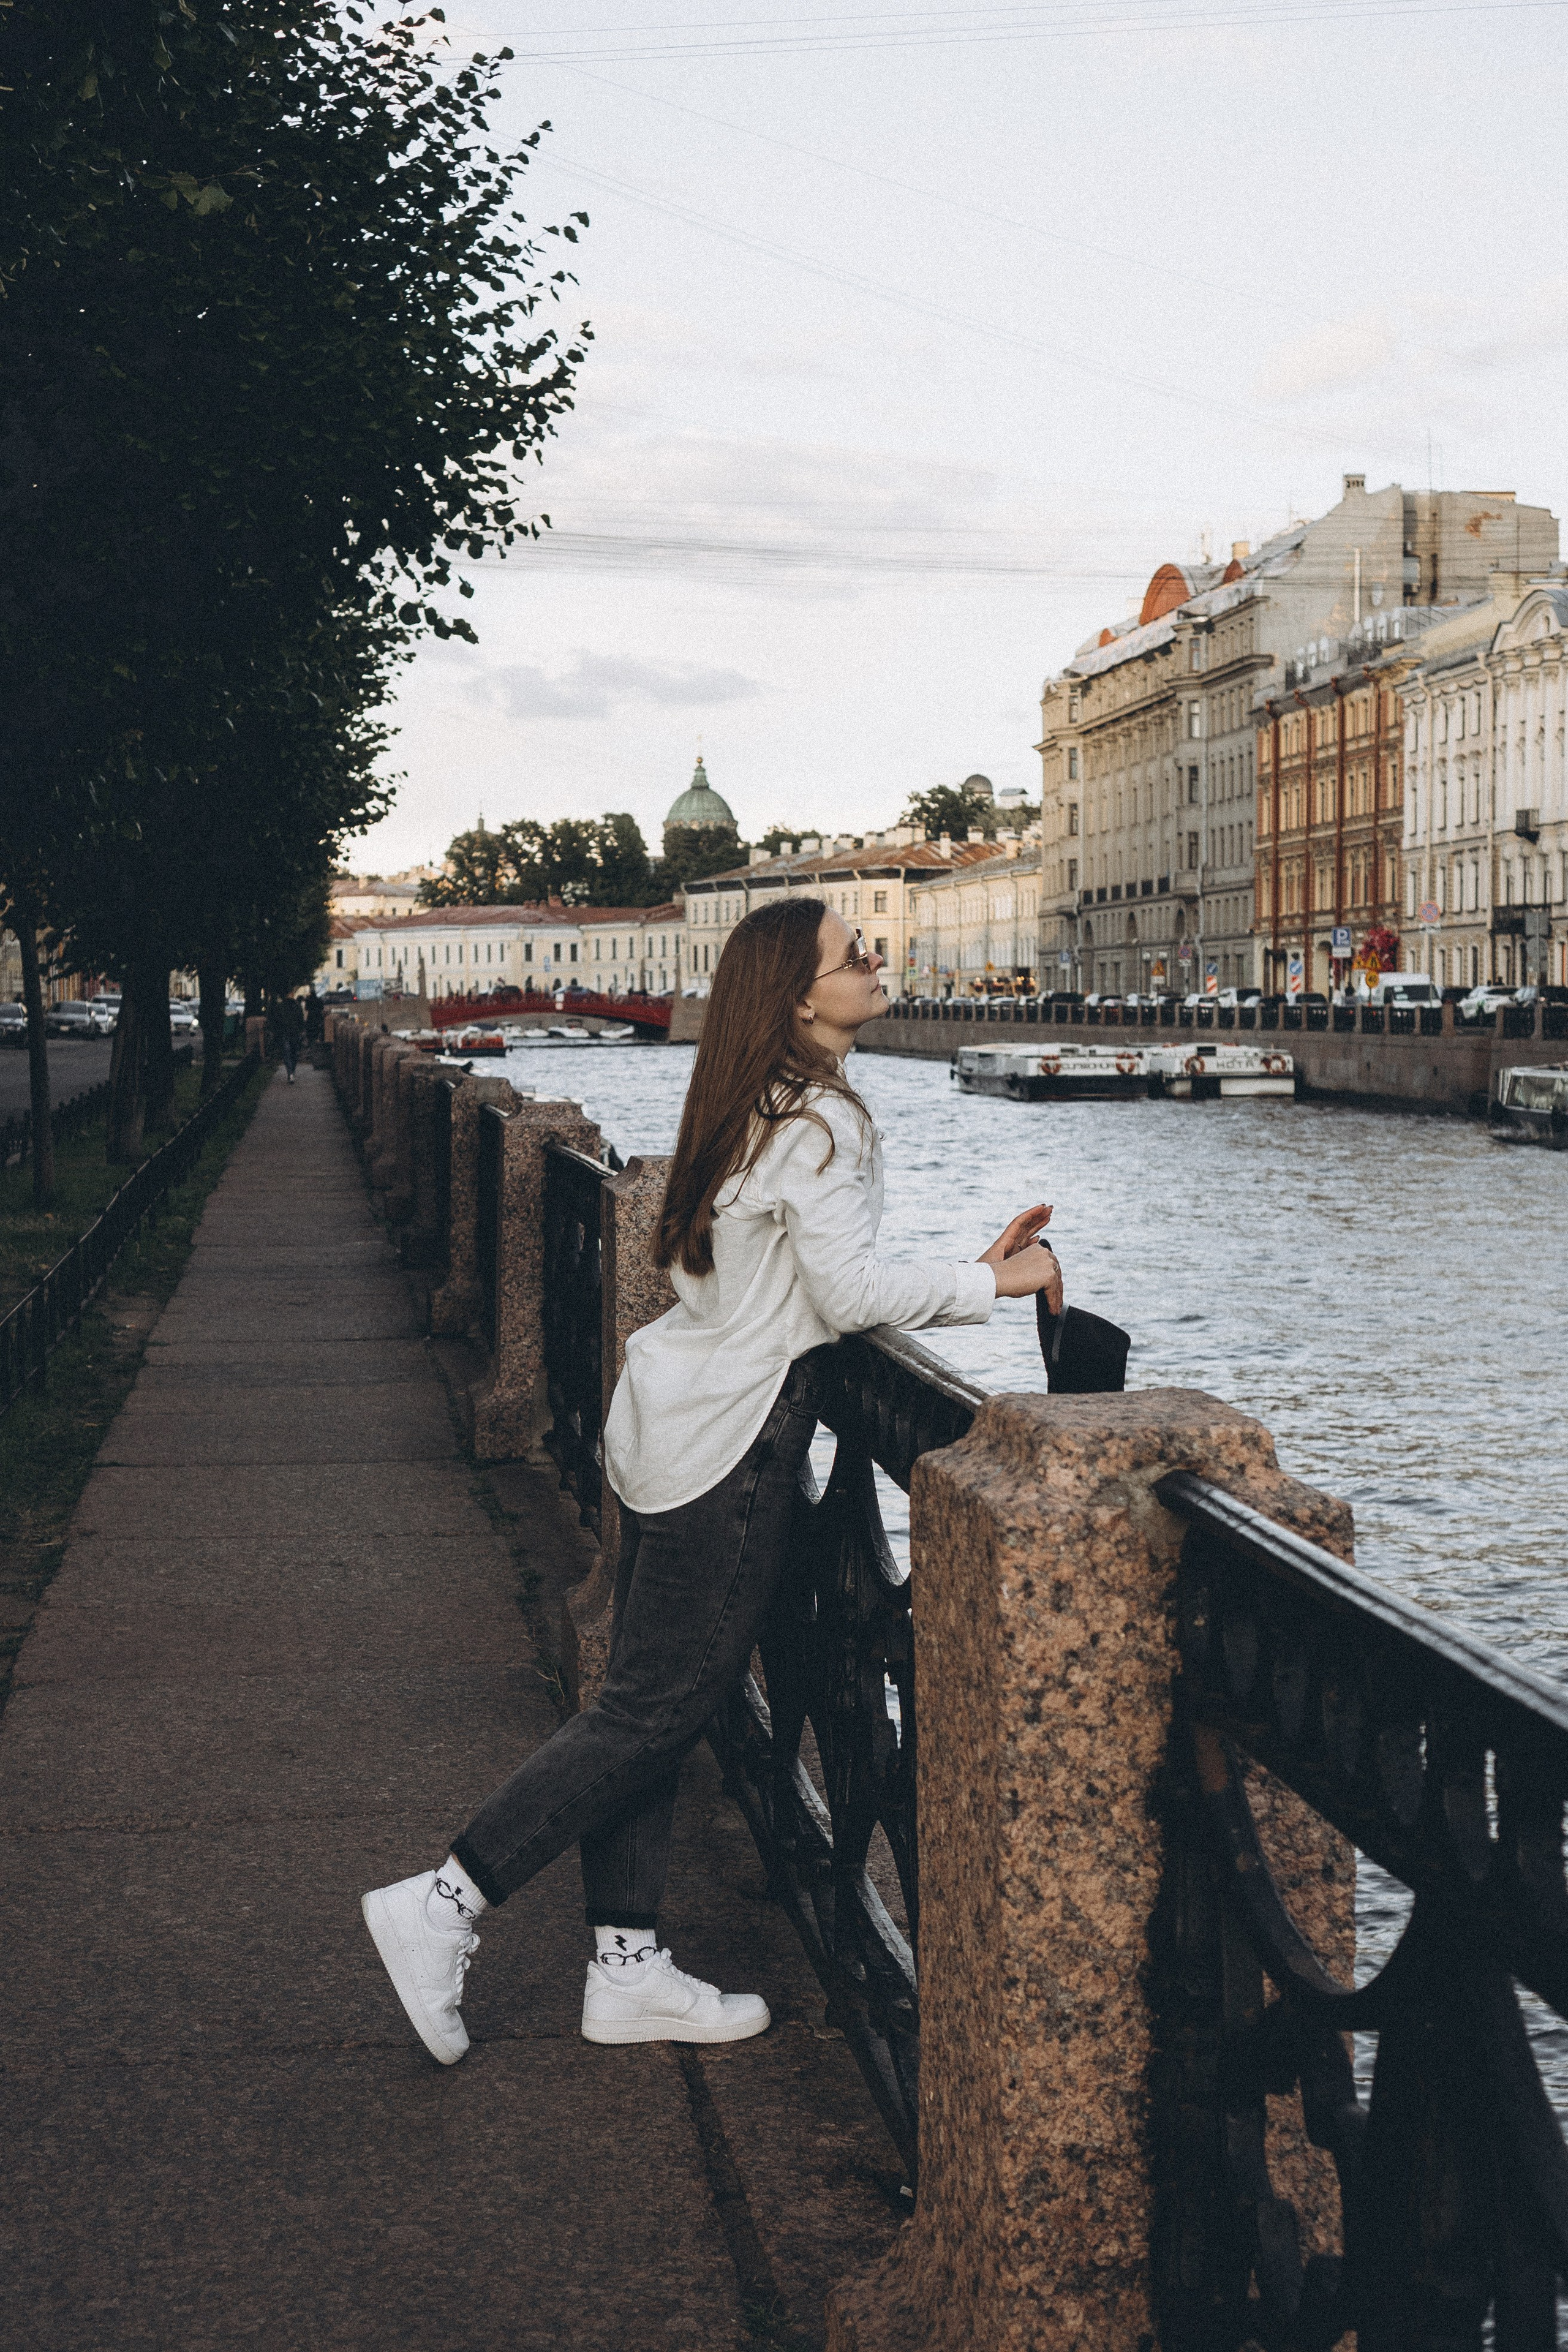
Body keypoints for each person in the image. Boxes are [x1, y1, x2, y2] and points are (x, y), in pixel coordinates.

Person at [361, 896, 1063, 2065]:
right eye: (857, 954)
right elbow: (840, 1300)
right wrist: (1000, 1284)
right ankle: (443, 1904)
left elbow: (776, 1274)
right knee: (654, 1711)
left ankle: (626, 1968)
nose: (877, 962)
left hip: (668, 1419)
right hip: (733, 1442)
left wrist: (963, 1267)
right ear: (800, 996)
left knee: (646, 1707)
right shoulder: (824, 1120)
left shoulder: (751, 1103)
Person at [273, 993, 305, 1083]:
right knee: (292, 1054)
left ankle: (291, 1073)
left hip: (286, 1034)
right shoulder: (297, 1006)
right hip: (293, 1034)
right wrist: (301, 1031)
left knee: (288, 1054)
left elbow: (276, 1021)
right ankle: (291, 1073)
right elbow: (301, 1020)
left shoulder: (281, 1007)